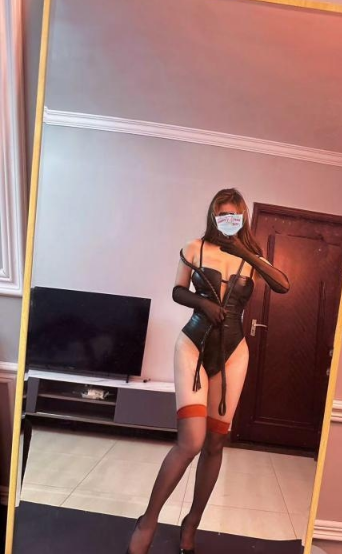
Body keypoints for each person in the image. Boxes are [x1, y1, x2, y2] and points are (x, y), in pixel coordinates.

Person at [127, 188, 289, 554]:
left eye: (234, 215)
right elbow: (177, 290)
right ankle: (147, 521)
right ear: (213, 216)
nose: (228, 220)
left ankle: (192, 523)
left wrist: (244, 251)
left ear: (243, 218)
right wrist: (202, 303)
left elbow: (283, 284)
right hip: (193, 347)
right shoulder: (194, 247)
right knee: (191, 442)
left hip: (233, 354)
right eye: (222, 214)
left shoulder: (253, 258)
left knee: (216, 443)